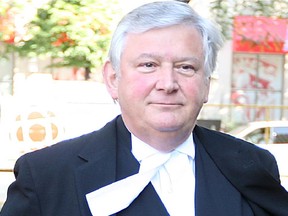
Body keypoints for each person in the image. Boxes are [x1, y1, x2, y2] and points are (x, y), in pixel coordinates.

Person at [1, 1, 288, 215]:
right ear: (113, 79)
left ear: (207, 86)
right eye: (148, 65)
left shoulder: (253, 165)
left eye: (186, 67)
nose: (167, 83)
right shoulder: (47, 176)